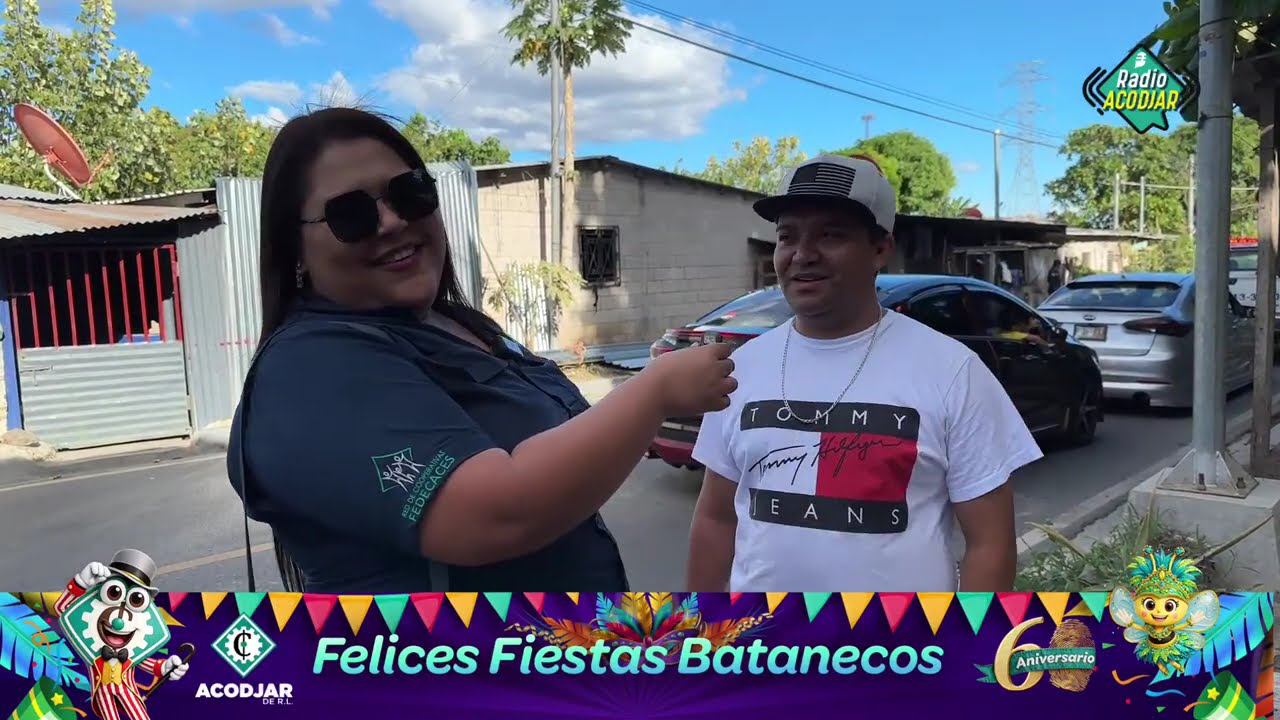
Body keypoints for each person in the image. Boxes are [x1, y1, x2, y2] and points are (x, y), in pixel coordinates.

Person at [225, 107, 736, 594]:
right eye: (351, 214)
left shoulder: (456, 324)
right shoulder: (311, 369)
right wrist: (654, 394)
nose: (392, 222)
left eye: (409, 193)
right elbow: (496, 515)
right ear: (294, 250)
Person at [685, 154, 1043, 593]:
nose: (802, 255)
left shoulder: (953, 372)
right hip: (767, 647)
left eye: (831, 235)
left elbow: (990, 545)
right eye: (787, 236)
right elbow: (715, 519)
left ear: (880, 248)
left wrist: (961, 651)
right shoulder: (740, 369)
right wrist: (702, 637)